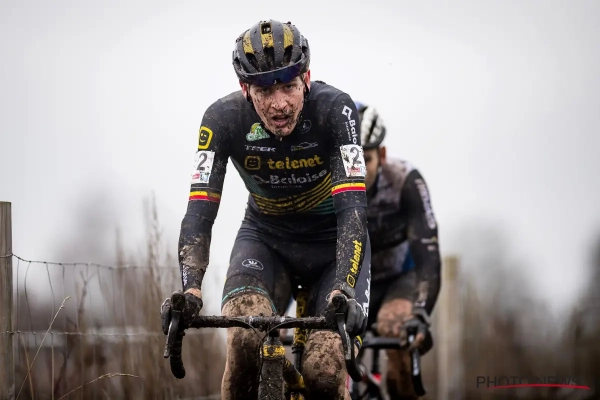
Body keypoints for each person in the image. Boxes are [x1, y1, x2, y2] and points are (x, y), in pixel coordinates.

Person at [160, 19, 372, 399]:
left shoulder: (337, 111)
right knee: (245, 342)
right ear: (245, 89)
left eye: (289, 86)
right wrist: (190, 289)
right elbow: (199, 211)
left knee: (324, 374)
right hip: (266, 241)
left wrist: (344, 287)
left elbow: (352, 208)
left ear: (307, 78)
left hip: (332, 247)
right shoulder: (221, 120)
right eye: (264, 90)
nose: (279, 104)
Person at [355, 102, 441, 399]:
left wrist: (420, 313)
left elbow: (428, 253)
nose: (356, 170)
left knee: (397, 329)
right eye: (348, 160)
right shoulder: (323, 184)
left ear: (382, 155)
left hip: (399, 279)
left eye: (365, 159)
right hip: (353, 279)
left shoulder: (405, 180)